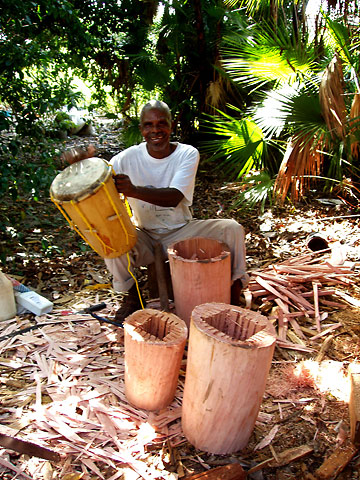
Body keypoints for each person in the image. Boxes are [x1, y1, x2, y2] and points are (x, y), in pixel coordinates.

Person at [65, 100, 249, 320]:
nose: (155, 130)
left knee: (232, 229)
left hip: (182, 231)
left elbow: (174, 197)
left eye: (161, 124)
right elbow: (98, 182)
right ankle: (132, 297)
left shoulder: (187, 154)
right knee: (109, 242)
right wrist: (80, 166)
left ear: (171, 126)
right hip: (144, 234)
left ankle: (234, 292)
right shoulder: (126, 158)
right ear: (141, 129)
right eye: (148, 125)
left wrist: (133, 190)